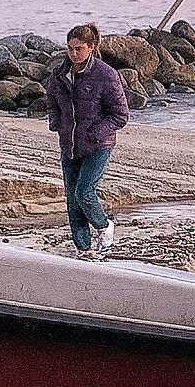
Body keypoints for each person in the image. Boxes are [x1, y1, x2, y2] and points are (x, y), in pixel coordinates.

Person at [43, 23, 131, 255]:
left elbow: (120, 115)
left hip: (97, 145)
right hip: (69, 146)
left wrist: (95, 133)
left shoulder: (106, 75)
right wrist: (56, 123)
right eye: (70, 48)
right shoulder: (59, 75)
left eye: (79, 49)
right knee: (73, 202)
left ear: (91, 47)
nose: (73, 54)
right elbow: (52, 103)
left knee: (84, 192)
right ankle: (84, 250)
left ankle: (104, 225)